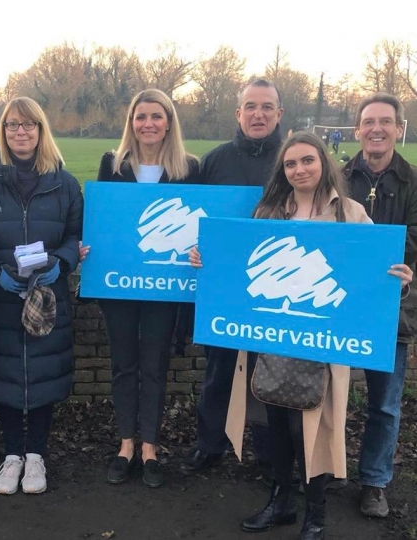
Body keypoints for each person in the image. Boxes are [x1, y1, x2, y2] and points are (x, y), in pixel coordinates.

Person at [190, 131, 412, 539]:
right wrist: (206, 258)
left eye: (307, 160)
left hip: (321, 346)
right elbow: (239, 264)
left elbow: (370, 272)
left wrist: (396, 283)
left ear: (323, 163)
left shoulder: (350, 213)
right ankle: (281, 503)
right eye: (290, 164)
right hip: (273, 341)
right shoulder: (269, 211)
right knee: (275, 423)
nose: (299, 169)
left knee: (310, 429)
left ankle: (316, 512)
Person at [0, 97, 82, 495]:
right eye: (12, 124)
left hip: (47, 298)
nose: (20, 132)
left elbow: (76, 236)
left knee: (44, 374)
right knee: (6, 375)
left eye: (29, 125)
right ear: (3, 130)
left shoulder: (66, 183)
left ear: (41, 130)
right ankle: (12, 455)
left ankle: (36, 456)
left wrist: (62, 262)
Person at [92, 89, 200, 488]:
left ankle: (150, 447)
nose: (148, 123)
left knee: (154, 366)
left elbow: (200, 226)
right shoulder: (112, 164)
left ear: (169, 123)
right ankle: (125, 445)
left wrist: (199, 252)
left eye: (156, 116)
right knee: (124, 364)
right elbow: (102, 220)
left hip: (164, 286)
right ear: (131, 123)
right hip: (120, 284)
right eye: (141, 117)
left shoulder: (189, 168)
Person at [182, 78, 284, 474]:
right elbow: (193, 220)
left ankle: (268, 456)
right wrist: (194, 250)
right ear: (238, 113)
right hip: (222, 287)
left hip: (274, 284)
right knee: (218, 371)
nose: (259, 114)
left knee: (269, 374)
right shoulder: (214, 161)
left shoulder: (293, 160)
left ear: (279, 114)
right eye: (251, 107)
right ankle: (210, 446)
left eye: (267, 107)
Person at [342, 93, 417, 518]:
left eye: (385, 121)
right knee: (327, 395)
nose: (376, 128)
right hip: (337, 304)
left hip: (392, 309)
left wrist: (377, 262)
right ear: (357, 130)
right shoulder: (337, 176)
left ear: (398, 129)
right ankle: (325, 470)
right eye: (369, 121)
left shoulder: (414, 182)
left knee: (384, 404)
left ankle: (374, 481)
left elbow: (414, 241)